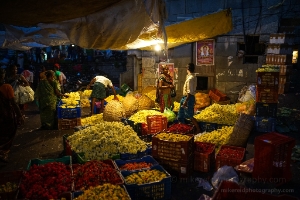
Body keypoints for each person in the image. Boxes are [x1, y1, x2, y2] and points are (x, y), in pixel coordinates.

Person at [0, 69, 24, 163]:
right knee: (9, 133)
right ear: (3, 76)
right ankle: (3, 152)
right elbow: (13, 103)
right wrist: (19, 115)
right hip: (6, 115)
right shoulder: (7, 87)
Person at [177, 63, 201, 133]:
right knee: (180, 115)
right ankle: (182, 129)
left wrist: (186, 101)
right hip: (186, 98)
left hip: (188, 98)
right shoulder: (192, 76)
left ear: (187, 69)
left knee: (189, 115)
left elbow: (190, 92)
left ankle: (198, 129)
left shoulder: (190, 78)